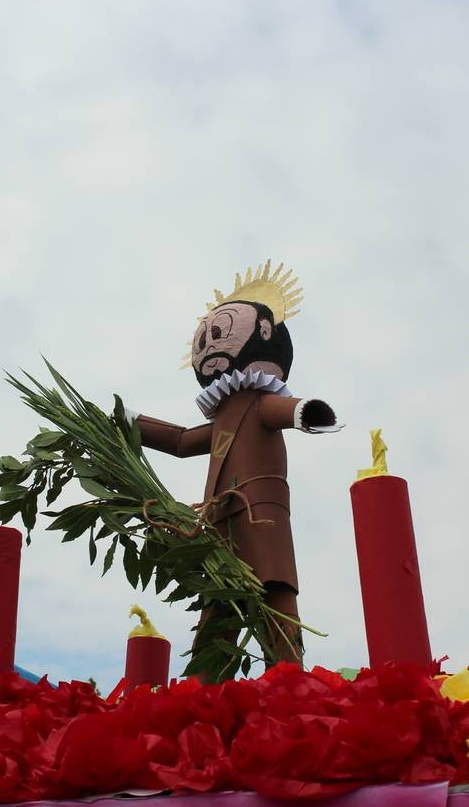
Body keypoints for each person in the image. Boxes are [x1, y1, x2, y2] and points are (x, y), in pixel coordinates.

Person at [132, 261, 340, 670]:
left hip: (260, 518)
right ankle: (205, 689)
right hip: (219, 525)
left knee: (275, 594)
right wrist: (133, 424)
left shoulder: (261, 402)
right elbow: (181, 441)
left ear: (263, 332)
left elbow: (285, 409)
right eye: (203, 338)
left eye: (219, 332)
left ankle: (288, 679)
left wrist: (307, 411)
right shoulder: (223, 416)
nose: (209, 345)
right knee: (218, 608)